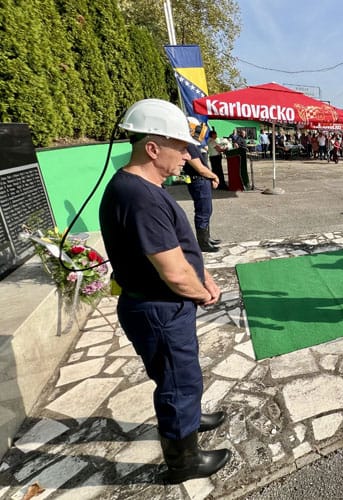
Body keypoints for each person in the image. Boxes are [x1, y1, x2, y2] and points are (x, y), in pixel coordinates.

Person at [99, 99, 230, 484]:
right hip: (159, 308)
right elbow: (173, 272)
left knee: (180, 375)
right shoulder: (138, 196)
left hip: (162, 306)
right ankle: (183, 462)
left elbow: (176, 251)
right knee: (178, 382)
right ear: (152, 148)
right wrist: (200, 291)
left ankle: (189, 419)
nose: (188, 154)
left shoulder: (140, 187)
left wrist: (202, 277)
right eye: (181, 146)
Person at [184, 118, 221, 252]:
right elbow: (199, 168)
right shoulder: (188, 145)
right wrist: (214, 176)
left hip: (202, 180)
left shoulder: (194, 145)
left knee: (207, 210)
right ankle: (203, 243)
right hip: (198, 180)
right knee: (203, 212)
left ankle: (207, 238)